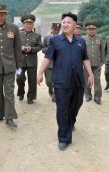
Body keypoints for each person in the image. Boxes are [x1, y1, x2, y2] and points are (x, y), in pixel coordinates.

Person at [37, 12, 94, 151]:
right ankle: (63, 138)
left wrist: (91, 74)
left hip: (78, 80)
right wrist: (40, 73)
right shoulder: (55, 40)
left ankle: (70, 122)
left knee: (76, 104)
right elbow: (47, 58)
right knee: (62, 109)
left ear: (75, 25)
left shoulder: (81, 41)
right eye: (63, 22)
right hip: (61, 81)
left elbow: (85, 59)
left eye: (68, 22)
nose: (65, 24)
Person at [16, 13, 42, 104]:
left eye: (31, 24)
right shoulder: (18, 35)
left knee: (32, 80)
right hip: (20, 62)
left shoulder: (37, 36)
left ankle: (30, 97)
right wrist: (20, 48)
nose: (29, 25)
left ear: (33, 25)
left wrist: (31, 49)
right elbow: (13, 45)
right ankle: (21, 92)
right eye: (27, 24)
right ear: (23, 25)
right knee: (19, 78)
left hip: (32, 62)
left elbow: (39, 47)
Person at [83, 20, 105, 105]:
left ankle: (97, 97)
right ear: (87, 30)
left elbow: (102, 50)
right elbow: (81, 52)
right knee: (87, 80)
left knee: (97, 81)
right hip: (86, 64)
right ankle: (88, 96)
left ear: (95, 30)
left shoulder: (99, 38)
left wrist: (102, 60)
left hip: (96, 63)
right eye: (89, 29)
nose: (91, 31)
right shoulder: (83, 39)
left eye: (93, 29)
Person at [42, 22, 61, 102]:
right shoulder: (46, 38)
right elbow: (43, 49)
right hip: (49, 64)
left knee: (57, 81)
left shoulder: (62, 38)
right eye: (54, 29)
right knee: (49, 81)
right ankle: (50, 90)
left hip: (59, 63)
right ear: (52, 29)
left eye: (57, 30)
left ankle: (55, 95)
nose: (56, 31)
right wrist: (51, 49)